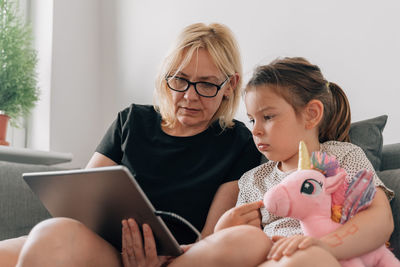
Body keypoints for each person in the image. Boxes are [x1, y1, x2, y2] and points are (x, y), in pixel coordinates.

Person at [0, 23, 261, 267]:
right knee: (43, 235)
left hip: (176, 259)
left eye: (206, 84)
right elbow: (81, 199)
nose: (189, 96)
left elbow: (209, 238)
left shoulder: (238, 143)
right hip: (105, 246)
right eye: (180, 80)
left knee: (52, 238)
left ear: (230, 85)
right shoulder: (133, 120)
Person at [165, 57, 395, 266]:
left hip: (321, 255)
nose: (255, 130)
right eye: (252, 119)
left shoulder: (343, 156)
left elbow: (380, 220)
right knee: (246, 238)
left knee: (308, 257)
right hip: (265, 256)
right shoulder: (253, 179)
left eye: (267, 117)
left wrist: (323, 244)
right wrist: (222, 232)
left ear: (312, 114)